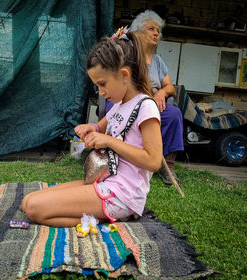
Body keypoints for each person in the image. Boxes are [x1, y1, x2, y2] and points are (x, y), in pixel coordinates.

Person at [21, 33, 162, 228]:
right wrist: (92, 127)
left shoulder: (146, 107)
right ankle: (98, 215)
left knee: (34, 209)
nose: (101, 92)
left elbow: (153, 161)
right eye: (97, 86)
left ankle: (105, 216)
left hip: (123, 194)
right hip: (105, 182)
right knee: (27, 201)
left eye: (102, 84)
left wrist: (109, 141)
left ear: (124, 75)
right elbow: (102, 125)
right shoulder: (120, 104)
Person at [104, 10, 184, 185]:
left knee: (173, 114)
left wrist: (161, 92)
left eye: (158, 30)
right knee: (112, 110)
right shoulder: (127, 53)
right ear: (137, 32)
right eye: (151, 29)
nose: (157, 33)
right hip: (126, 101)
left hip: (150, 105)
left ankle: (167, 166)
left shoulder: (157, 61)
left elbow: (170, 86)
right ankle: (114, 156)